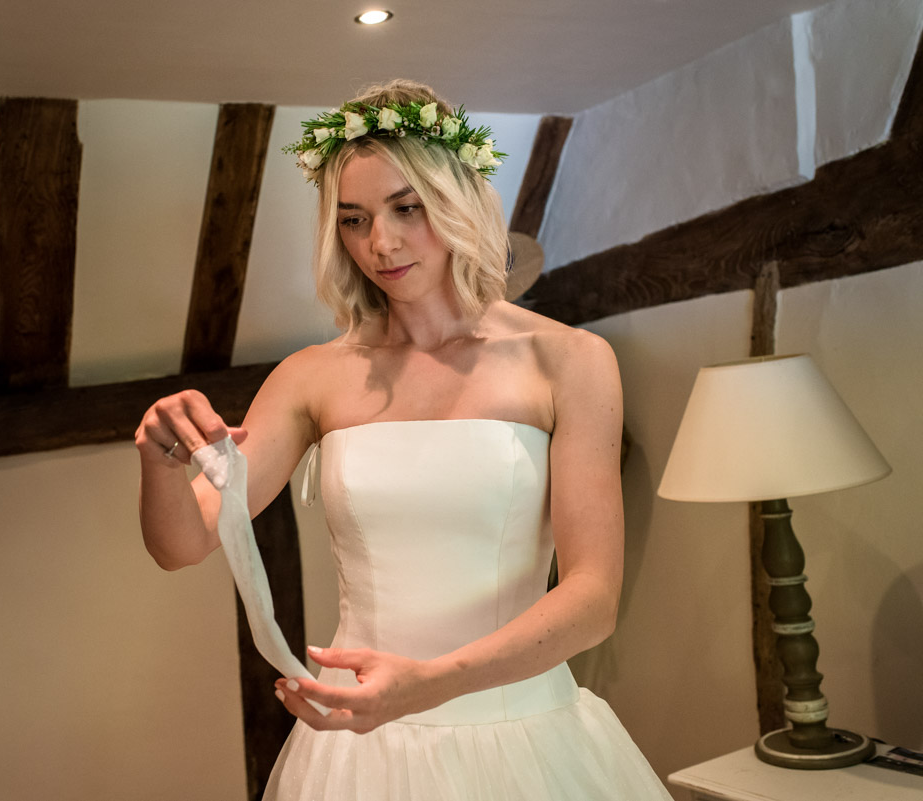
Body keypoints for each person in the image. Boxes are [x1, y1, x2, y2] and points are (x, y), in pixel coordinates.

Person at [136, 80, 672, 800]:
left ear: (456, 201)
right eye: (353, 219)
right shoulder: (311, 378)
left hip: (523, 738)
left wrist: (429, 684)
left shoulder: (569, 361)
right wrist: (159, 463)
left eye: (406, 209)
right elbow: (183, 542)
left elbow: (592, 597)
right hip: (361, 749)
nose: (378, 243)